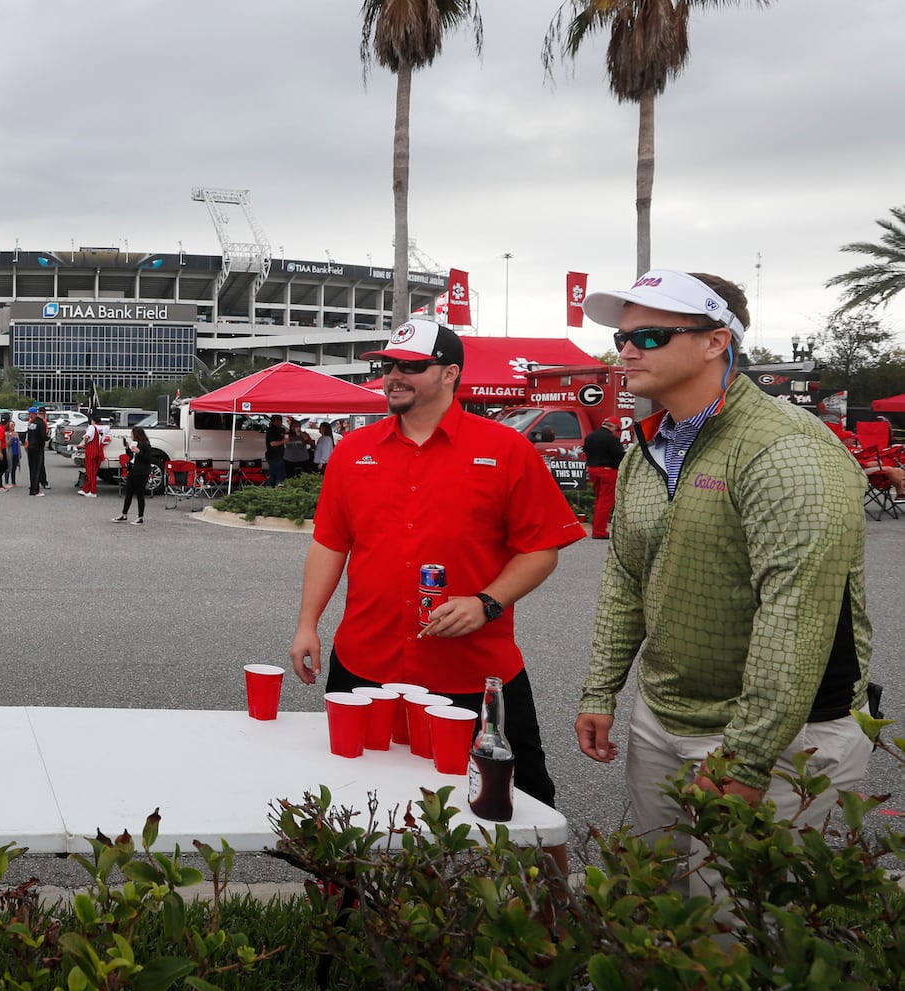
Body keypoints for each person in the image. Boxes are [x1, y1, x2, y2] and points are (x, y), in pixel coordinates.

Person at [574, 270, 871, 869]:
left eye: (651, 335)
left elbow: (794, 616)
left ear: (716, 341)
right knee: (656, 912)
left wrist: (749, 756)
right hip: (662, 717)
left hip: (786, 736)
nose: (628, 349)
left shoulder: (786, 447)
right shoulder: (648, 449)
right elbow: (627, 580)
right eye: (622, 338)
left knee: (741, 934)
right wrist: (601, 690)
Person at [288, 319, 585, 812]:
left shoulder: (505, 449)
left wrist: (487, 603)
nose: (393, 376)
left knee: (525, 801)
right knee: (356, 798)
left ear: (450, 374)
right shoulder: (353, 452)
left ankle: (549, 893)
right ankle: (368, 893)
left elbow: (542, 548)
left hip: (474, 669)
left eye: (411, 366)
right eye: (388, 366)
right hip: (365, 663)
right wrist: (307, 625)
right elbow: (329, 545)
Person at [582, 421, 626, 539]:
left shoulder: (590, 437)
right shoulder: (611, 439)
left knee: (600, 500)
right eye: (616, 429)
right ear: (614, 426)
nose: (615, 432)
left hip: (592, 469)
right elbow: (619, 455)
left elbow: (585, 450)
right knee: (605, 502)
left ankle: (598, 528)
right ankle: (599, 531)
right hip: (608, 471)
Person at [113, 426, 163, 524]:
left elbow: (148, 458)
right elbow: (131, 456)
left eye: (132, 433)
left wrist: (139, 452)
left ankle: (140, 517)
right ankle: (124, 514)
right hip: (132, 469)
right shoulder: (135, 443)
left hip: (141, 471)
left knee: (140, 494)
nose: (131, 435)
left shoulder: (145, 444)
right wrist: (127, 448)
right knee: (128, 492)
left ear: (136, 434)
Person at [78, 415, 108, 498]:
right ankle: (86, 489)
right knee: (93, 472)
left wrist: (83, 443)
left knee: (90, 472)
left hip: (91, 451)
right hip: (99, 451)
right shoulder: (104, 428)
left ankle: (93, 491)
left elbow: (87, 437)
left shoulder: (92, 427)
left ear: (93, 421)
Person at [26, 405, 49, 497]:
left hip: (30, 447)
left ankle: (32, 488)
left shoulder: (32, 422)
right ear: (44, 413)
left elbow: (28, 435)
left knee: (32, 469)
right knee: (37, 469)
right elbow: (43, 436)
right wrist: (48, 437)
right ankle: (35, 490)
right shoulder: (41, 423)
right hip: (38, 448)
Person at [264, 415, 288, 486]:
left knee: (273, 474)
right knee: (280, 474)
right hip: (274, 456)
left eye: (280, 420)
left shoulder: (280, 429)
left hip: (278, 455)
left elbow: (285, 435)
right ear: (273, 421)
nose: (280, 422)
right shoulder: (272, 430)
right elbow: (272, 443)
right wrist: (283, 441)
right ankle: (279, 489)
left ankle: (271, 488)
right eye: (278, 421)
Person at [6, 424, 22, 488]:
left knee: (14, 468)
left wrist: (20, 453)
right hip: (9, 453)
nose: (12, 426)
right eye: (11, 425)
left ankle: (13, 482)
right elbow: (7, 444)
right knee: (8, 468)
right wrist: (12, 437)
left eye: (13, 425)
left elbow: (18, 443)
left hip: (16, 453)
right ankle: (6, 482)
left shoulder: (16, 433)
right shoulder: (6, 434)